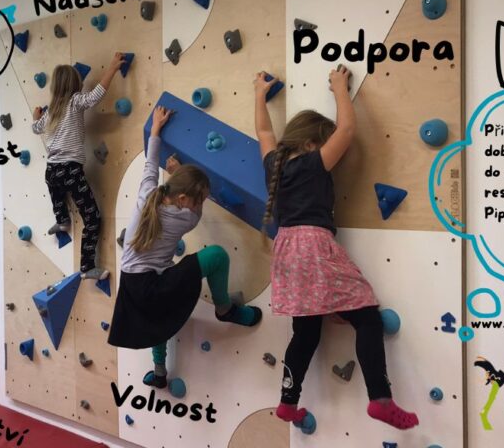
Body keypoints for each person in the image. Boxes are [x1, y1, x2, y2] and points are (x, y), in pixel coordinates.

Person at [253, 66, 418, 429]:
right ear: (312, 143)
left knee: (306, 332)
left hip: (286, 251)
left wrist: (259, 95)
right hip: (313, 245)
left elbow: (264, 132)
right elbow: (346, 130)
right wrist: (340, 87)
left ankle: (287, 403)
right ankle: (380, 397)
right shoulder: (314, 163)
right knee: (367, 315)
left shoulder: (274, 165)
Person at [108, 106, 263, 387]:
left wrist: (156, 129)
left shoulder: (147, 196)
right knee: (216, 256)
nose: (200, 204)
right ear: (182, 200)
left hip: (132, 286)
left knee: (158, 317)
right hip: (151, 286)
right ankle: (225, 310)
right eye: (199, 199)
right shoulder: (186, 219)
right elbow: (195, 213)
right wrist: (177, 168)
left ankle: (159, 373)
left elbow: (149, 164)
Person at [32, 53, 124, 279]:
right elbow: (95, 96)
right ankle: (87, 267)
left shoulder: (51, 111)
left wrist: (35, 116)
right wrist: (112, 68)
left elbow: (36, 128)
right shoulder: (75, 101)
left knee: (57, 194)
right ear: (75, 84)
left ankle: (62, 220)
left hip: (51, 171)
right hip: (70, 171)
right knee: (92, 218)